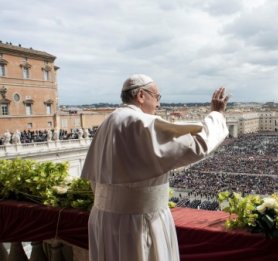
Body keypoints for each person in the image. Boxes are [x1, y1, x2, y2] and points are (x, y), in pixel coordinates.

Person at [81, 74, 229, 261]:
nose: (158, 104)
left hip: (103, 220)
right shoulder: (140, 122)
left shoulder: (108, 122)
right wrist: (216, 113)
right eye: (157, 97)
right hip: (139, 222)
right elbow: (198, 144)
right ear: (141, 95)